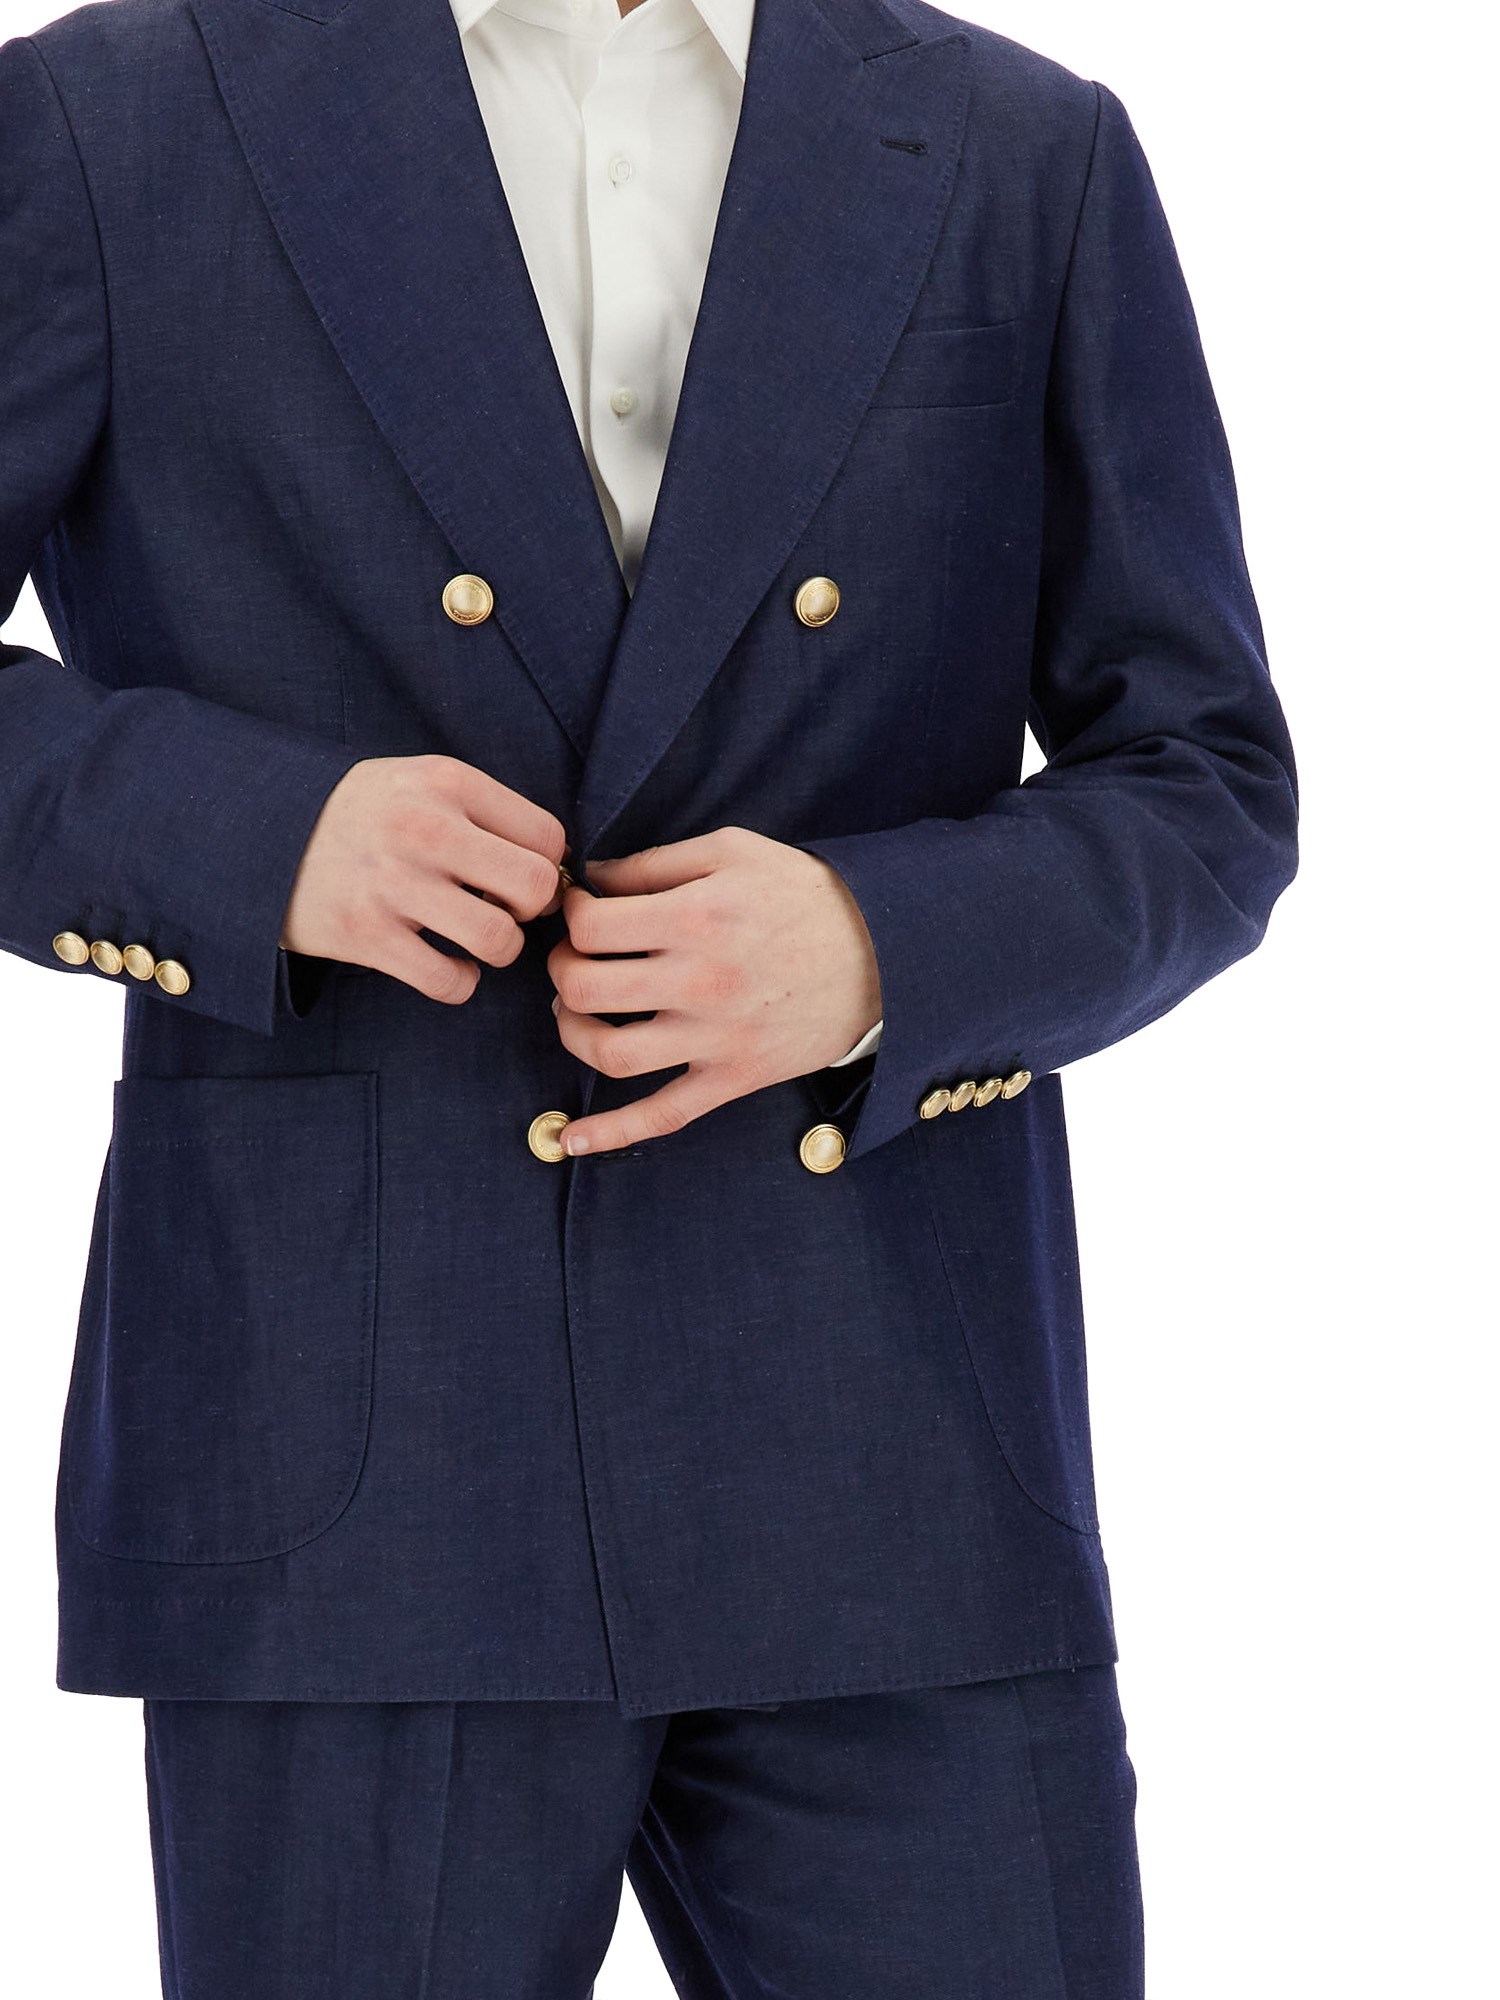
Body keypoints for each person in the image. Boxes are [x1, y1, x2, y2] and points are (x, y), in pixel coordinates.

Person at [0, 0, 1298, 1990]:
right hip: (358, 1462)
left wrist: (877, 948)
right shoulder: (111, 119)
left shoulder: (1022, 146)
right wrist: (257, 841)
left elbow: (1207, 778)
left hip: (890, 1455)